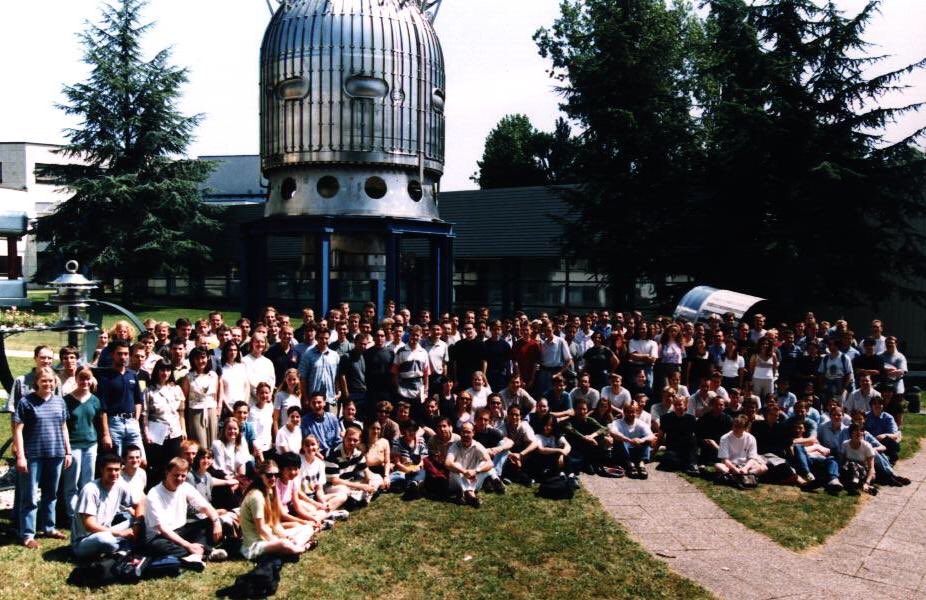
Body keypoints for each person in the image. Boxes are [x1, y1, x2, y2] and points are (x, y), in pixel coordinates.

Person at [13, 366, 72, 547]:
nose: (47, 384)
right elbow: (18, 430)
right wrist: (21, 456)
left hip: (55, 454)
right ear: (36, 382)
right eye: (44, 381)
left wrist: (67, 451)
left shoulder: (59, 402)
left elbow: (63, 427)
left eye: (51, 381)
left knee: (51, 494)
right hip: (33, 456)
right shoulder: (26, 402)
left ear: (55, 383)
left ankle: (49, 527)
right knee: (29, 496)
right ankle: (28, 535)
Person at [144, 457, 227, 562]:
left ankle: (194, 554)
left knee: (215, 521)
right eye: (176, 475)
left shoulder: (185, 487)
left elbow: (206, 507)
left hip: (182, 530)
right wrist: (188, 545)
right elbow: (162, 529)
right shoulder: (154, 494)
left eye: (183, 476)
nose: (179, 479)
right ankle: (206, 551)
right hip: (162, 535)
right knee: (157, 546)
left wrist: (216, 522)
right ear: (167, 472)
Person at [238, 460, 315, 560]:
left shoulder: (270, 491)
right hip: (255, 545)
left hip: (269, 536)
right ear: (261, 475)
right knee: (284, 544)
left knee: (308, 528)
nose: (273, 478)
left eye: (276, 474)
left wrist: (285, 536)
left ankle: (292, 547)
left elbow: (275, 525)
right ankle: (302, 548)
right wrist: (279, 540)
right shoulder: (256, 497)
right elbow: (261, 529)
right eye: (269, 475)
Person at [71, 453, 142, 559]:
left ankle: (126, 546)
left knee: (142, 519)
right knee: (104, 540)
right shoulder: (90, 490)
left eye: (117, 470)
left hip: (108, 531)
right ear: (101, 470)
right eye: (109, 469)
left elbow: (140, 503)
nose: (114, 473)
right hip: (86, 540)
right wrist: (120, 533)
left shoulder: (120, 485)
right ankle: (127, 547)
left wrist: (137, 525)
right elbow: (89, 525)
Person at [62, 366, 102, 525]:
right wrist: (67, 450)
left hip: (91, 444)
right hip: (73, 445)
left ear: (91, 380)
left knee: (88, 482)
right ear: (76, 379)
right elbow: (63, 425)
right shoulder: (67, 400)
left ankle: (86, 516)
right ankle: (72, 517)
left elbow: (98, 422)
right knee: (71, 483)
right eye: (81, 378)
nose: (84, 382)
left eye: (87, 378)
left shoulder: (95, 400)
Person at [94, 340, 144, 459]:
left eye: (126, 354)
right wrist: (106, 434)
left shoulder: (132, 375)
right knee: (116, 461)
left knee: (139, 461)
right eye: (119, 354)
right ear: (113, 354)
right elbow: (103, 409)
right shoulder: (105, 377)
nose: (123, 357)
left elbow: (138, 400)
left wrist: (135, 419)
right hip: (114, 424)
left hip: (132, 423)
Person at [143, 361, 186, 486]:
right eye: (162, 370)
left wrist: (183, 430)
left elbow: (181, 412)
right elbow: (144, 414)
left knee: (173, 465)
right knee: (157, 467)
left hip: (174, 432)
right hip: (156, 433)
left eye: (168, 370)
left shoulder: (176, 389)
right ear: (157, 371)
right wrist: (146, 433)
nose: (165, 373)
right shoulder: (149, 390)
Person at [325, 424, 381, 508]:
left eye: (355, 440)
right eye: (349, 439)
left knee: (377, 478)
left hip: (350, 483)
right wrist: (361, 486)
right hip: (333, 486)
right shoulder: (332, 454)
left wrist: (369, 481)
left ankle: (359, 498)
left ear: (359, 441)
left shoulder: (357, 453)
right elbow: (334, 480)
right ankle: (361, 497)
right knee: (343, 491)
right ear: (344, 438)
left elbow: (366, 470)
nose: (351, 443)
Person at [445, 422, 496, 508]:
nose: (465, 435)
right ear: (460, 433)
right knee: (455, 465)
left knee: (484, 464)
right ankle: (470, 494)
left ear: (473, 433)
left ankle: (466, 493)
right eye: (463, 432)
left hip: (473, 479)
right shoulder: (455, 446)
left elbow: (490, 463)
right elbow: (448, 463)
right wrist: (464, 471)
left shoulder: (477, 445)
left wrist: (476, 471)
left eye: (468, 432)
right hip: (457, 481)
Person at [182, 347, 220, 451]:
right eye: (197, 358)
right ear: (193, 360)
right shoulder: (188, 377)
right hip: (195, 412)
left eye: (203, 358)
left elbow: (215, 395)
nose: (200, 361)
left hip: (211, 410)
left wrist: (217, 410)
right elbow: (183, 400)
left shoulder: (213, 375)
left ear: (208, 358)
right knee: (200, 444)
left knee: (213, 443)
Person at [609, 400, 655, 479]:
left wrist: (641, 440)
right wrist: (629, 440)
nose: (630, 414)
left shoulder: (641, 423)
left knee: (648, 439)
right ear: (624, 412)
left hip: (637, 450)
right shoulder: (617, 423)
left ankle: (641, 464)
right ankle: (630, 464)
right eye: (628, 412)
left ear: (636, 412)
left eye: (632, 412)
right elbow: (613, 432)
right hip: (623, 451)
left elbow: (651, 436)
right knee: (618, 439)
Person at [715, 416, 767, 483]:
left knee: (764, 468)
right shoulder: (724, 438)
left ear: (745, 428)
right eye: (735, 426)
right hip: (730, 465)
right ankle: (745, 477)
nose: (736, 429)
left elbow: (752, 458)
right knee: (718, 466)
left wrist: (745, 468)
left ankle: (736, 477)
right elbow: (724, 459)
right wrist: (734, 468)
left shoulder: (751, 438)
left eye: (739, 427)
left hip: (745, 465)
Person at [299, 329, 341, 411]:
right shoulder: (308, 355)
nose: (324, 341)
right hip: (313, 398)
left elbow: (337, 376)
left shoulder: (335, 355)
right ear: (317, 338)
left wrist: (338, 392)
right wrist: (306, 397)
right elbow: (302, 378)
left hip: (330, 398)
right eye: (321, 338)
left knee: (330, 421)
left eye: (326, 338)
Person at [658, 395, 699, 475]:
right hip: (673, 448)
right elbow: (660, 437)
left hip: (686, 448)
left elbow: (696, 437)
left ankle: (692, 464)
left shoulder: (691, 419)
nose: (677, 407)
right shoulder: (666, 418)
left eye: (680, 404)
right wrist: (653, 453)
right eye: (675, 405)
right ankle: (685, 464)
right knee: (670, 460)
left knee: (692, 439)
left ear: (685, 406)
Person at [393, 325, 430, 411]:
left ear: (420, 336)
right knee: (404, 414)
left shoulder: (423, 352)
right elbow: (395, 372)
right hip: (403, 390)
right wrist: (398, 387)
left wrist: (426, 389)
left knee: (417, 414)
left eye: (417, 335)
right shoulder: (401, 351)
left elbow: (426, 373)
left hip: (418, 390)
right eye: (413, 334)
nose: (415, 337)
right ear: (409, 335)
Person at [390, 419, 429, 499]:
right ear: (404, 430)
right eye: (410, 430)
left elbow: (424, 459)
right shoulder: (397, 443)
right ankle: (414, 485)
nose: (412, 433)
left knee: (423, 472)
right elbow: (397, 463)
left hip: (418, 470)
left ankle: (412, 485)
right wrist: (409, 470)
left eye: (414, 430)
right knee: (399, 476)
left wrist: (417, 466)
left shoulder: (421, 441)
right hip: (403, 471)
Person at [696, 394, 733, 466]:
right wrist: (704, 440)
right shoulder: (705, 418)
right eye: (716, 404)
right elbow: (698, 433)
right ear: (712, 405)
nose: (719, 407)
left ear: (724, 406)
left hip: (721, 446)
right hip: (707, 445)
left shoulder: (728, 420)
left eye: (721, 405)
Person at [840, 424, 876, 495]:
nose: (859, 432)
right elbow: (842, 462)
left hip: (863, 472)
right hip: (849, 471)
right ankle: (855, 484)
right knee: (850, 464)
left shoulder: (867, 446)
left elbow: (871, 468)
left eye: (861, 431)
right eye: (856, 430)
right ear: (851, 433)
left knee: (853, 464)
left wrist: (867, 482)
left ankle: (854, 485)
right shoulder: (845, 444)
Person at [864, 395, 901, 464]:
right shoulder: (865, 416)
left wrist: (884, 435)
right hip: (869, 441)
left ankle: (892, 459)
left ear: (883, 405)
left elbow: (894, 435)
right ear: (871, 406)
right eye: (875, 404)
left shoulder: (888, 417)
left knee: (890, 441)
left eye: (880, 404)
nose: (877, 406)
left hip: (882, 441)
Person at [242, 333, 276, 404]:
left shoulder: (268, 362)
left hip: (266, 401)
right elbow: (248, 382)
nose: (260, 344)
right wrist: (259, 396)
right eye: (257, 341)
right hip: (251, 401)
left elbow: (272, 381)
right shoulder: (244, 361)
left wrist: (268, 395)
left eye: (262, 342)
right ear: (252, 343)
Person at [362, 420, 392, 491]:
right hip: (366, 472)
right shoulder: (361, 444)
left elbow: (387, 462)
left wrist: (386, 476)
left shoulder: (384, 442)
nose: (376, 431)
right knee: (375, 483)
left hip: (381, 470)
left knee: (400, 476)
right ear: (368, 429)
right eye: (373, 428)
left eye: (378, 429)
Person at [273, 368, 303, 433]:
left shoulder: (298, 396)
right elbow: (275, 419)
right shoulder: (279, 395)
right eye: (289, 379)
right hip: (284, 432)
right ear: (285, 380)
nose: (291, 382)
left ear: (298, 380)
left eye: (294, 379)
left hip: (296, 432)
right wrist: (277, 436)